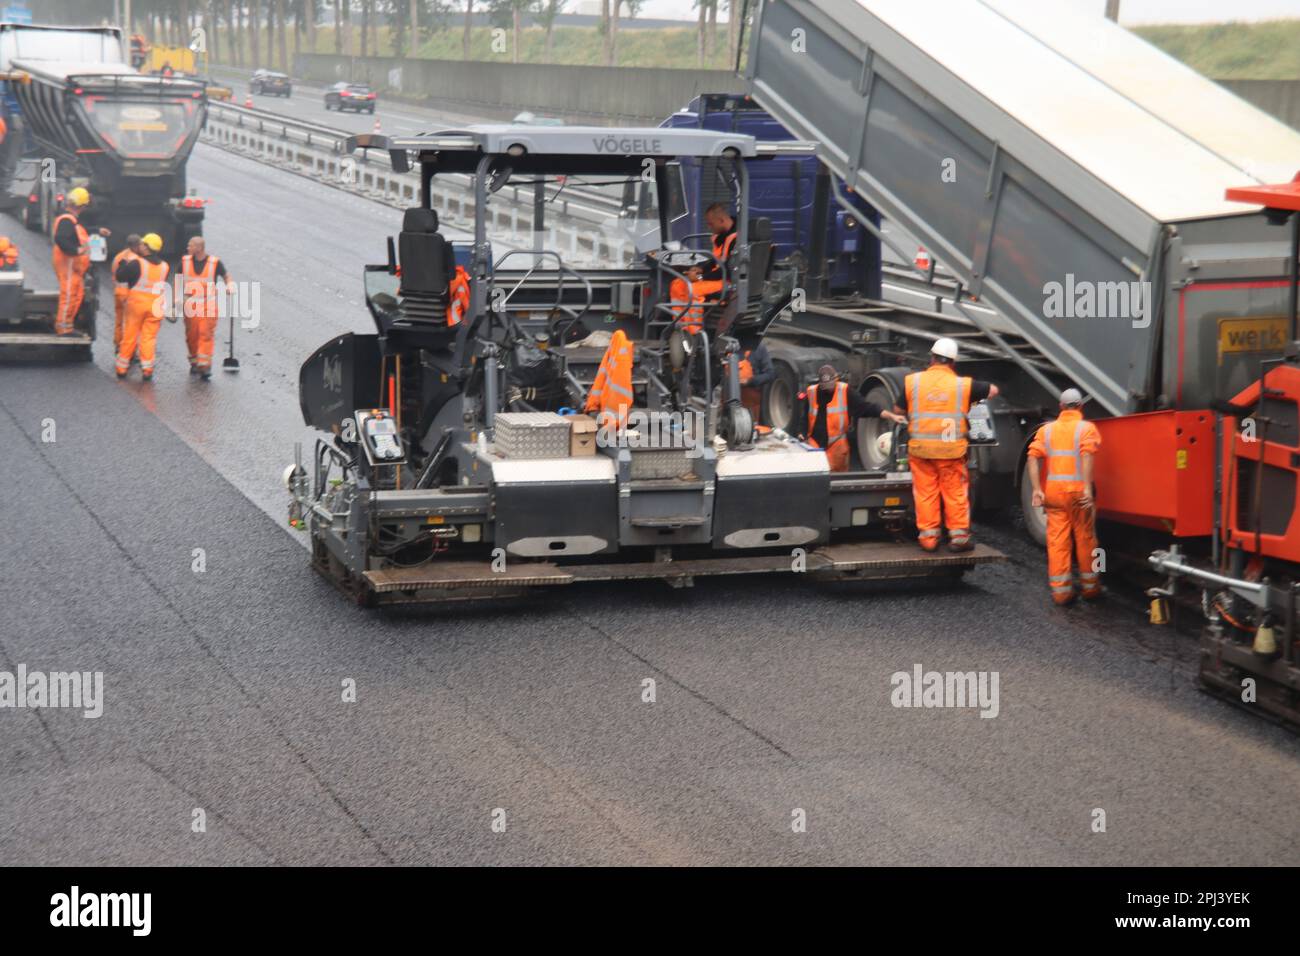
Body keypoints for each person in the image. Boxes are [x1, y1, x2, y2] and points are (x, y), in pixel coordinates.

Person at [899, 338, 999, 552]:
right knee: (954, 492)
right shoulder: (963, 385)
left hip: (921, 451)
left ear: (932, 358)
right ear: (953, 363)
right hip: (950, 451)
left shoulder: (912, 381)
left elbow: (898, 411)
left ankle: (929, 538)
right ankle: (959, 537)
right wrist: (971, 401)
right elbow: (992, 391)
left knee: (926, 492)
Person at [1026, 387, 1102, 605]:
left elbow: (1032, 457)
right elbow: (1087, 454)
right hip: (1079, 493)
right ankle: (1092, 587)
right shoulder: (1086, 428)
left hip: (1054, 494)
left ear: (1060, 407)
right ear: (1081, 407)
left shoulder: (1047, 430)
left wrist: (1036, 489)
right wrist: (1087, 488)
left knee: (1057, 541)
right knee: (1088, 539)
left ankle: (1061, 592)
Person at [800, 364, 905, 472]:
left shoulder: (845, 391)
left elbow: (867, 407)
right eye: (826, 387)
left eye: (831, 385)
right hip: (815, 444)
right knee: (817, 477)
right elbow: (805, 417)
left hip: (836, 446)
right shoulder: (811, 392)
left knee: (838, 480)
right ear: (820, 384)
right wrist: (802, 432)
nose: (829, 389)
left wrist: (891, 415)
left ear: (836, 379)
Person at [52, 187, 110, 336]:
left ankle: (68, 325)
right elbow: (61, 238)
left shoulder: (70, 220)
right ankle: (63, 328)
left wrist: (96, 230)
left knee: (75, 295)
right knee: (69, 295)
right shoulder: (67, 220)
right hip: (69, 265)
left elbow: (77, 233)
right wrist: (75, 251)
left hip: (73, 267)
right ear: (82, 206)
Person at [114, 233, 169, 381]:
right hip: (156, 307)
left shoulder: (137, 263)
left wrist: (122, 264)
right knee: (149, 338)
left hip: (137, 305)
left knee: (130, 336)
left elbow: (120, 276)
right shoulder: (165, 266)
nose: (140, 246)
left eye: (142, 244)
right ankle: (147, 369)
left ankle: (122, 368)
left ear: (146, 247)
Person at [180, 236, 231, 379]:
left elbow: (226, 276)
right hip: (190, 304)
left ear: (199, 248)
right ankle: (195, 362)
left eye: (190, 245)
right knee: (192, 335)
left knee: (205, 333)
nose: (188, 248)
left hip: (208, 303)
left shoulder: (214, 263)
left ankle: (204, 366)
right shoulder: (184, 262)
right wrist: (174, 303)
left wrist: (230, 285)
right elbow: (178, 282)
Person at [111, 234, 142, 350]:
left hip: (118, 291)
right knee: (130, 322)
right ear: (136, 246)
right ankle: (128, 348)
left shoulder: (118, 256)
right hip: (128, 293)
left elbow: (114, 274)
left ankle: (118, 344)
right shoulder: (135, 259)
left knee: (119, 320)